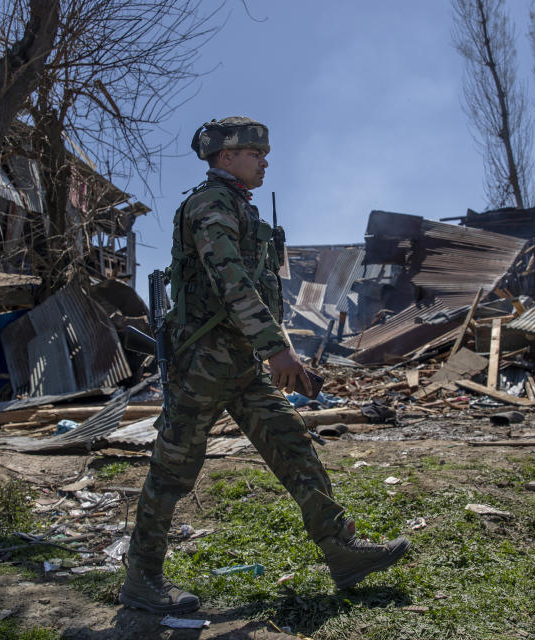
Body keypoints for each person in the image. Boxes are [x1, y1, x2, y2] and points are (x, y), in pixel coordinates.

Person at [120, 117, 410, 614]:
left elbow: (255, 284)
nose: (265, 161)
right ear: (226, 157)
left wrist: (266, 348)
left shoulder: (240, 208)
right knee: (173, 469)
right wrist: (277, 347)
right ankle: (142, 579)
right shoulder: (209, 205)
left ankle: (340, 551)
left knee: (293, 444)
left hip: (240, 362)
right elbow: (230, 279)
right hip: (203, 364)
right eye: (256, 153)